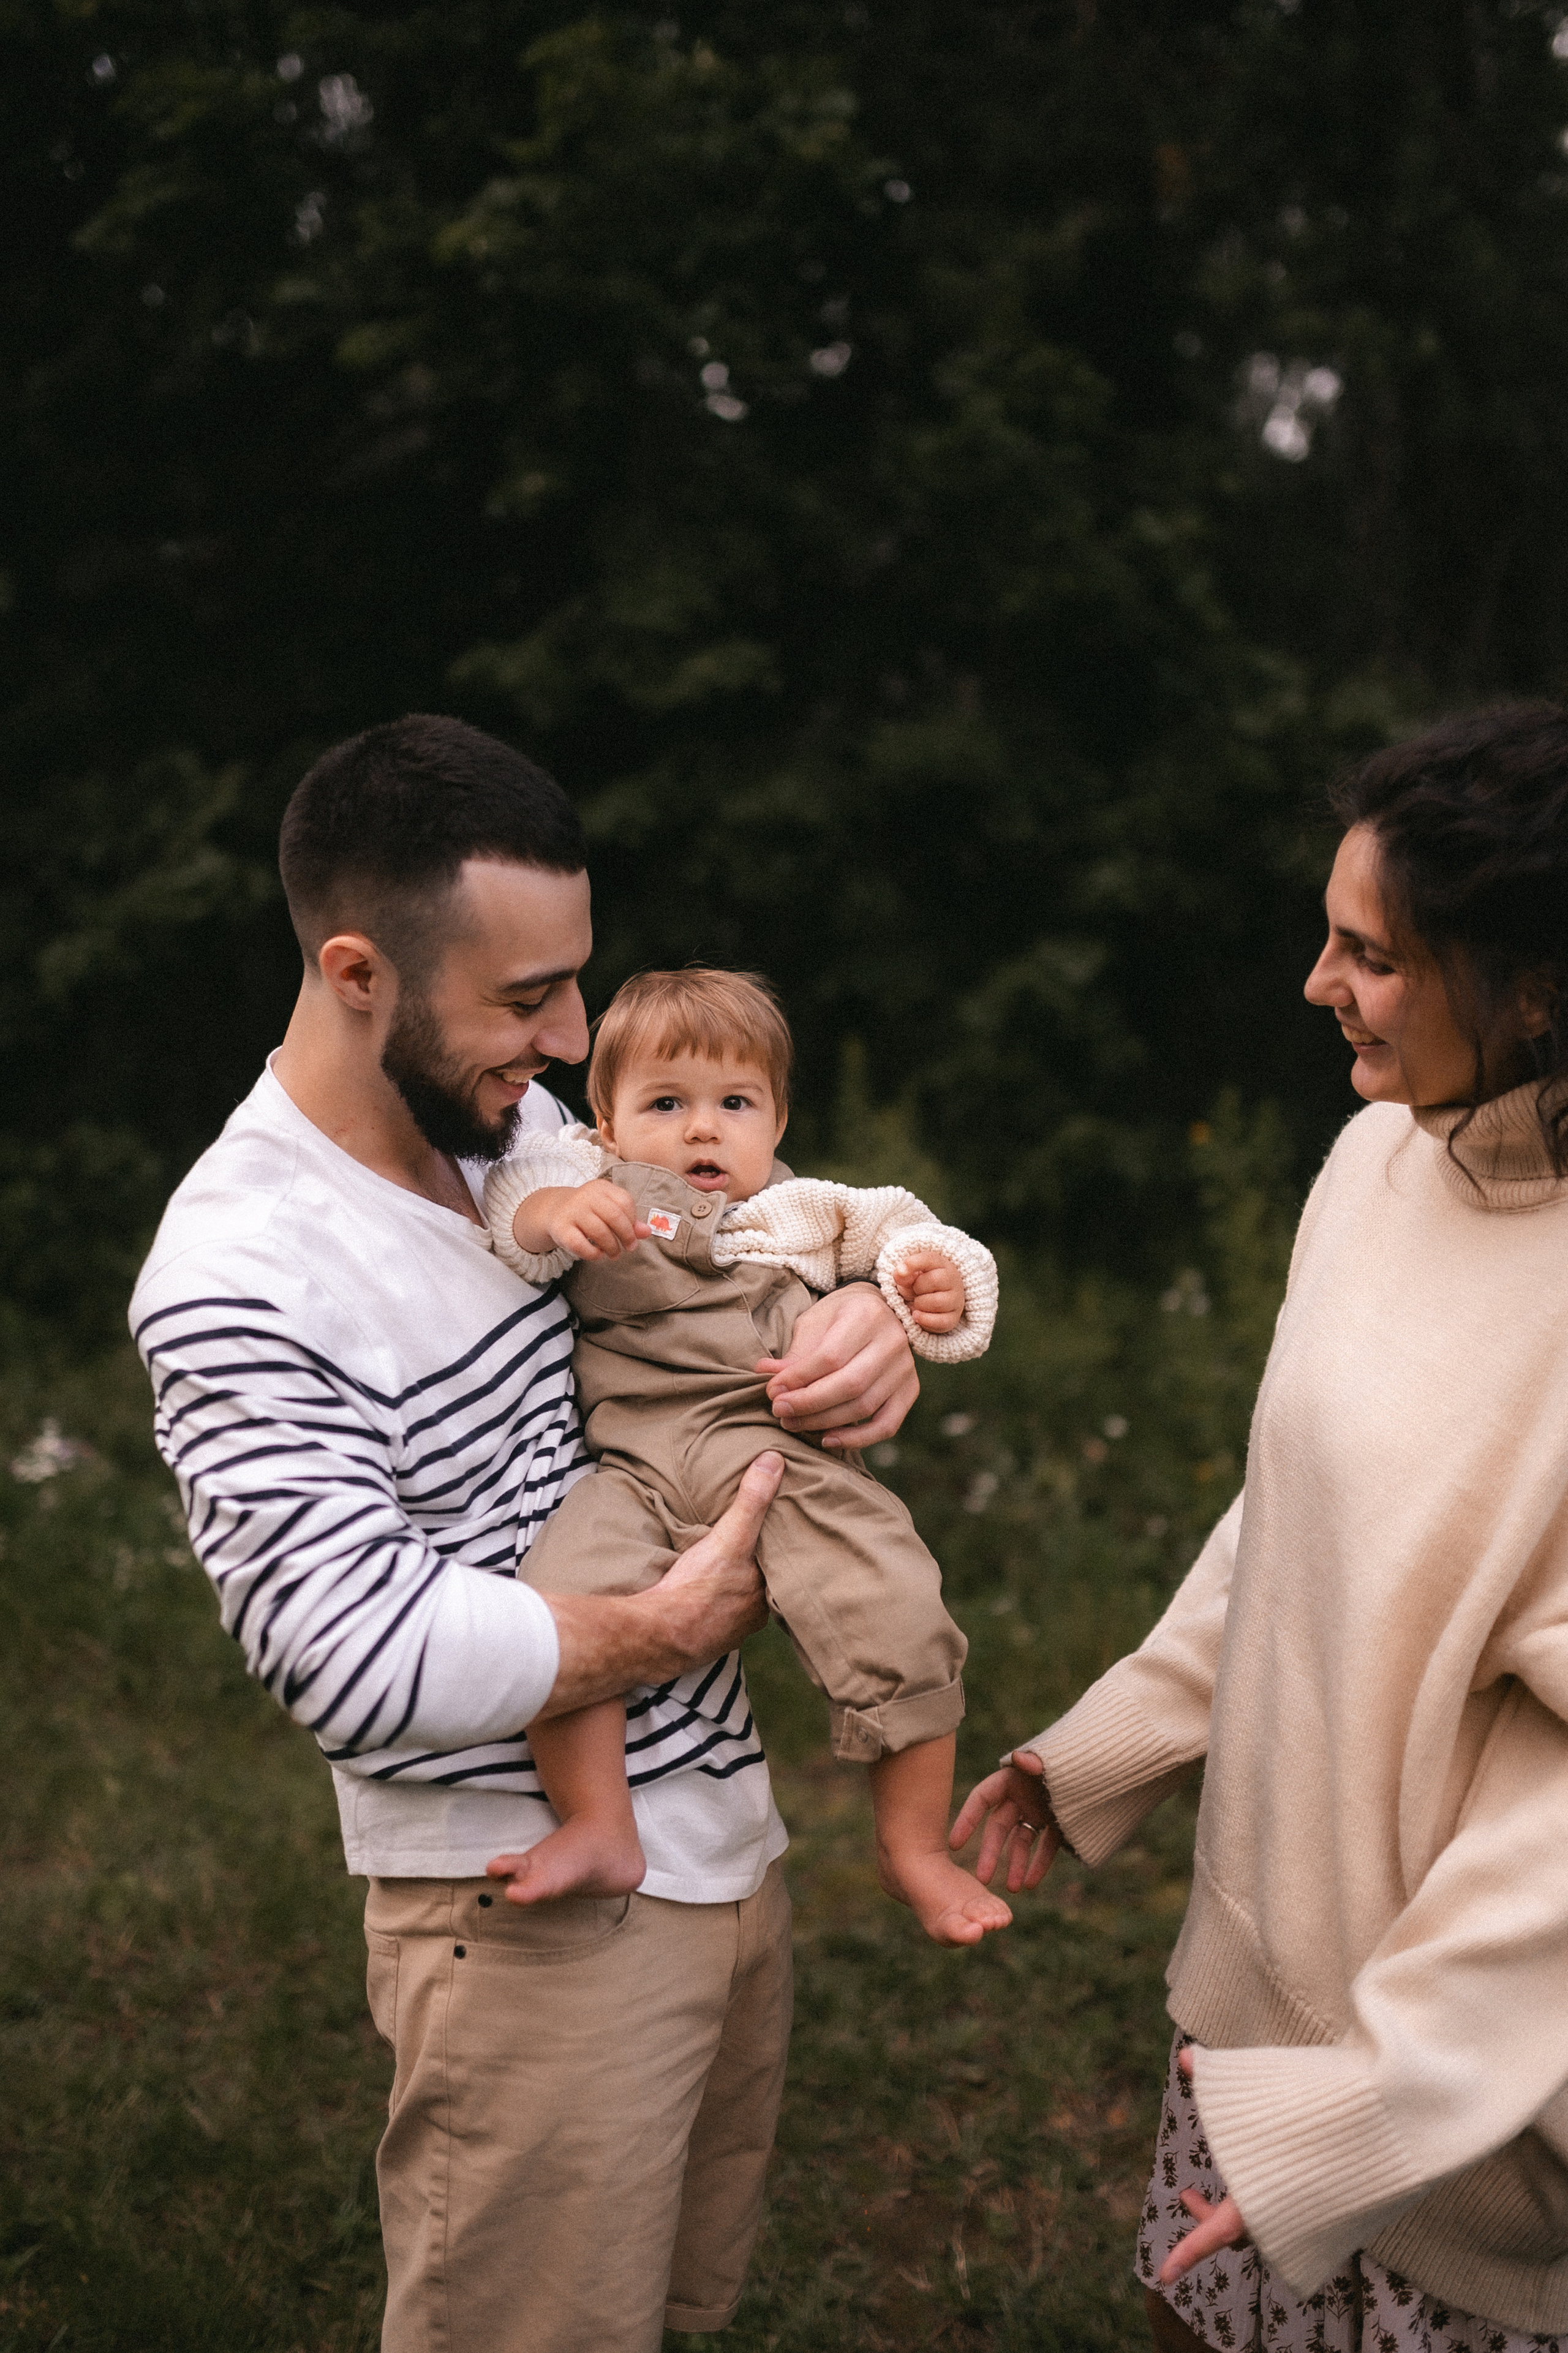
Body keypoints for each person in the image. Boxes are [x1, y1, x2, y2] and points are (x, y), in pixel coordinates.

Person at [129, 714, 921, 2353]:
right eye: (523, 997)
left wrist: (872, 1330)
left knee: (672, 2313)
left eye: (573, 983)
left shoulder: (528, 1130)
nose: (567, 1037)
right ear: (360, 974)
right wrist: (666, 1630)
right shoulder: (245, 1273)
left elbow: (758, 1255)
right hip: (528, 1929)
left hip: (726, 1853)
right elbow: (345, 1659)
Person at [954, 704, 1568, 2353]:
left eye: (1367, 952)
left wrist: (1363, 2114)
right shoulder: (1377, 1157)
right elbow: (1305, 1503)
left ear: (1531, 985)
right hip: (1264, 2012)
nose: (1317, 984)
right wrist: (1122, 1735)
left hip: (1462, 2122)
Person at [478, 965, 1007, 1945]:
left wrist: (929, 1281)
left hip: (783, 1453)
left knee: (895, 1596)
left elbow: (910, 1231)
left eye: (735, 1103)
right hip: (634, 1470)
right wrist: (552, 1219)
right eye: (666, 1103)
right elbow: (513, 1203)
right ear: (605, 1115)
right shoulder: (587, 1179)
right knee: (559, 1604)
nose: (702, 1130)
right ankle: (601, 1823)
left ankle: (913, 1847)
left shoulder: (804, 1210)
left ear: (775, 1118)